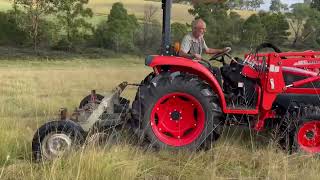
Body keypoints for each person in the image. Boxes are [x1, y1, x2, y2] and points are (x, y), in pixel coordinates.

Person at [179, 18, 227, 86]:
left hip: (197, 64)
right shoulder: (188, 38)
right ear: (195, 28)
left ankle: (219, 91)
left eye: (205, 28)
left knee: (215, 69)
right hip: (191, 67)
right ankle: (219, 93)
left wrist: (221, 50)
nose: (204, 31)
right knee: (216, 70)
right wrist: (193, 55)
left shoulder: (200, 38)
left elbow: (208, 50)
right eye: (202, 28)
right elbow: (181, 53)